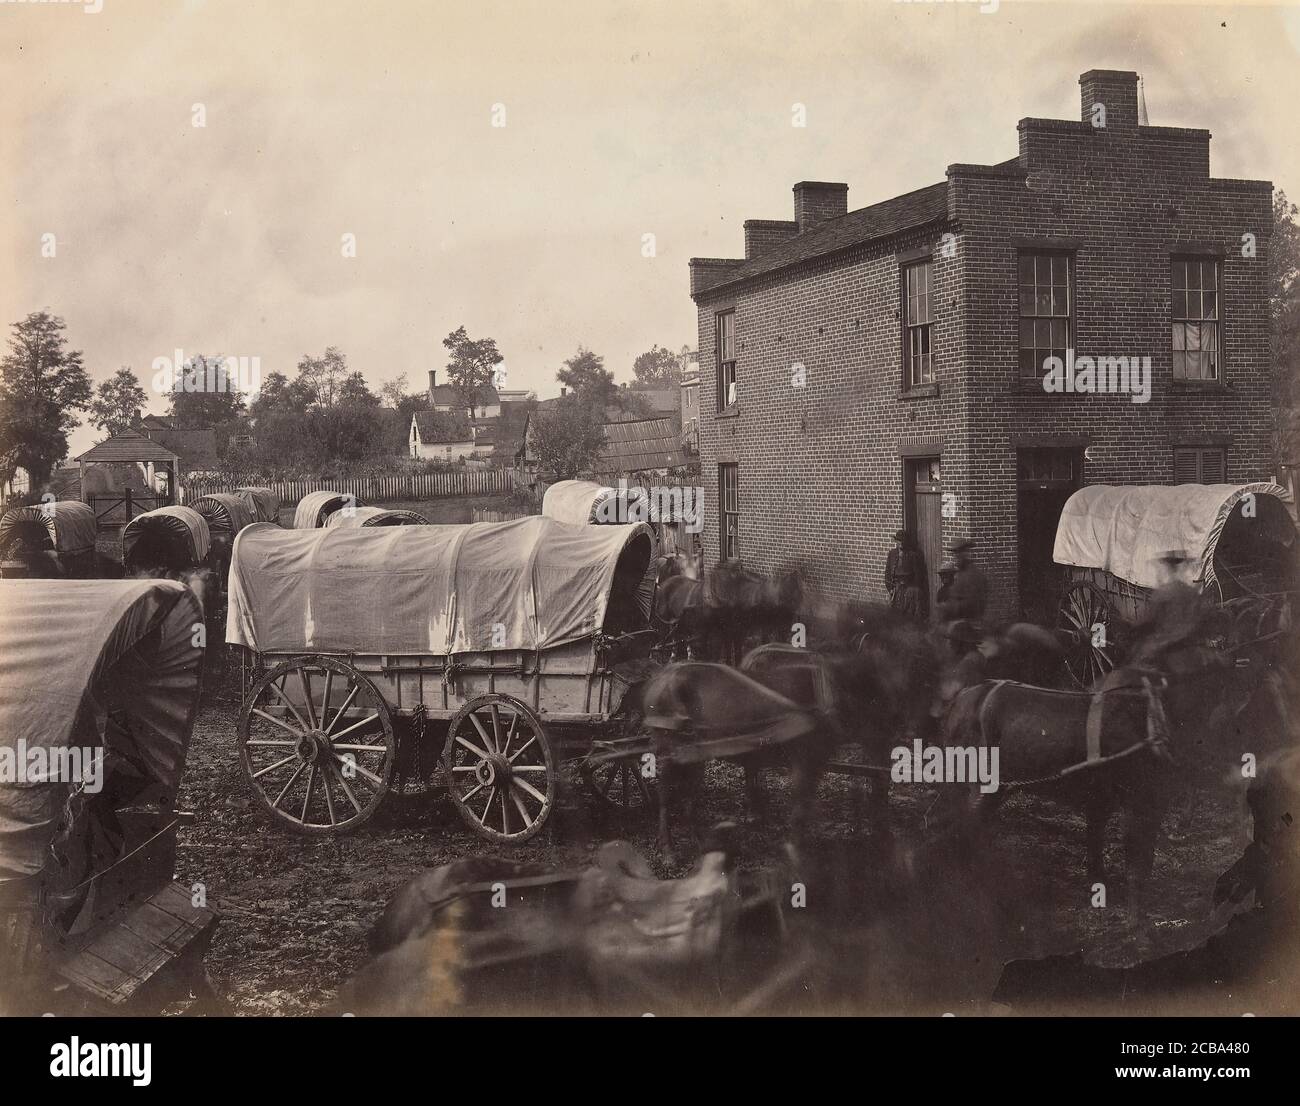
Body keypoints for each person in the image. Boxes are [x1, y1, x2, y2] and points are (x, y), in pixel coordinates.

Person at [937, 537, 988, 624]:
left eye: (958, 554)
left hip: (968, 623)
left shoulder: (973, 575)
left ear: (966, 554)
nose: (955, 558)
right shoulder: (961, 574)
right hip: (958, 620)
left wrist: (948, 607)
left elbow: (973, 604)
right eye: (955, 554)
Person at [884, 530, 923, 616]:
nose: (901, 543)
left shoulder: (912, 555)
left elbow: (917, 575)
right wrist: (890, 588)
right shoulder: (892, 554)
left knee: (908, 612)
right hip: (896, 588)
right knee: (895, 613)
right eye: (899, 540)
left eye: (903, 541)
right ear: (896, 541)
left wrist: (913, 590)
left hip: (908, 588)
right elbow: (887, 573)